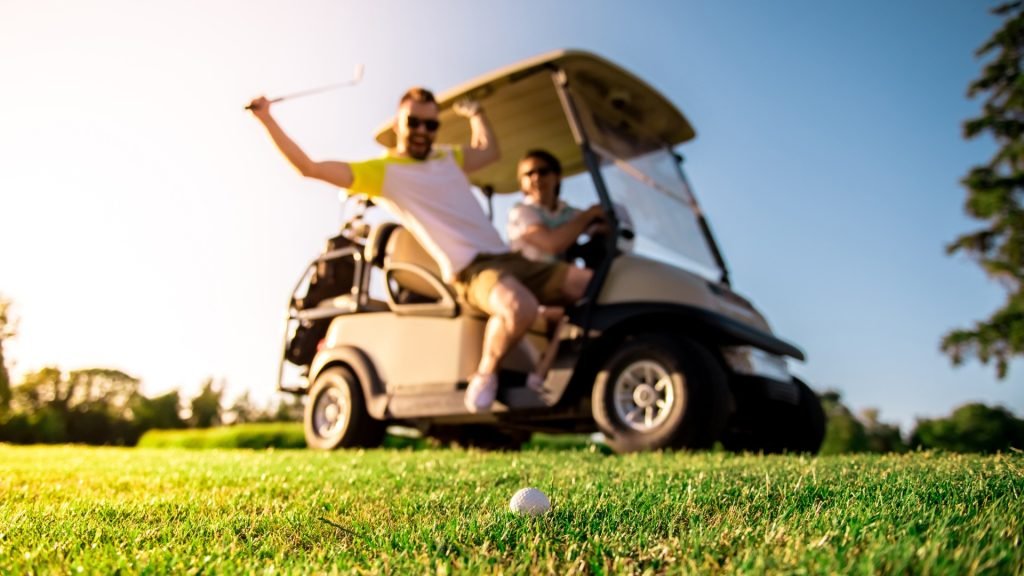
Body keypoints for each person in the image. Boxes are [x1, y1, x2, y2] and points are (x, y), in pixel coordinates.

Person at [248, 88, 593, 413]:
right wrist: (266, 119)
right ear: (398, 123)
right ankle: (485, 374)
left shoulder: (447, 156)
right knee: (520, 307)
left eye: (431, 124)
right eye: (414, 122)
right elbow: (310, 168)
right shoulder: (384, 173)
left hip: (508, 257)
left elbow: (489, 151)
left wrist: (477, 113)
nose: (422, 131)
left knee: (588, 283)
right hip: (472, 269)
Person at [507, 149, 608, 265]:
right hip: (533, 280)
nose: (536, 177)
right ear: (522, 183)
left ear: (557, 176)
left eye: (543, 171)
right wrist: (589, 215)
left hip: (570, 278)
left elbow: (597, 226)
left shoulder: (570, 212)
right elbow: (551, 244)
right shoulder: (520, 212)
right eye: (529, 174)